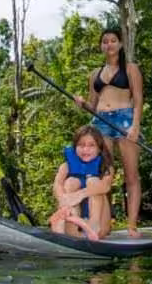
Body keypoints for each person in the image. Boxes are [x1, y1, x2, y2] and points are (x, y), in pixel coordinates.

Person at [74, 28, 144, 237]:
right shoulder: (95, 74)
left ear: (120, 44)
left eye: (113, 40)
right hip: (101, 121)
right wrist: (82, 104)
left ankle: (131, 225)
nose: (109, 44)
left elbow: (139, 99)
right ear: (101, 46)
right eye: (105, 41)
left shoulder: (131, 69)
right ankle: (104, 223)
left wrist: (135, 126)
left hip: (125, 119)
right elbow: (93, 106)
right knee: (104, 175)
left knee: (131, 175)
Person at [49, 124, 114, 240]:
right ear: (74, 147)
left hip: (100, 220)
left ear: (99, 148)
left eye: (91, 145)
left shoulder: (105, 167)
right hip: (73, 215)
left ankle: (93, 225)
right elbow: (57, 185)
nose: (85, 150)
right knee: (70, 182)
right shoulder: (66, 166)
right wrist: (64, 199)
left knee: (94, 182)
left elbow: (105, 187)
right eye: (81, 145)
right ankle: (73, 231)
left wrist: (79, 195)